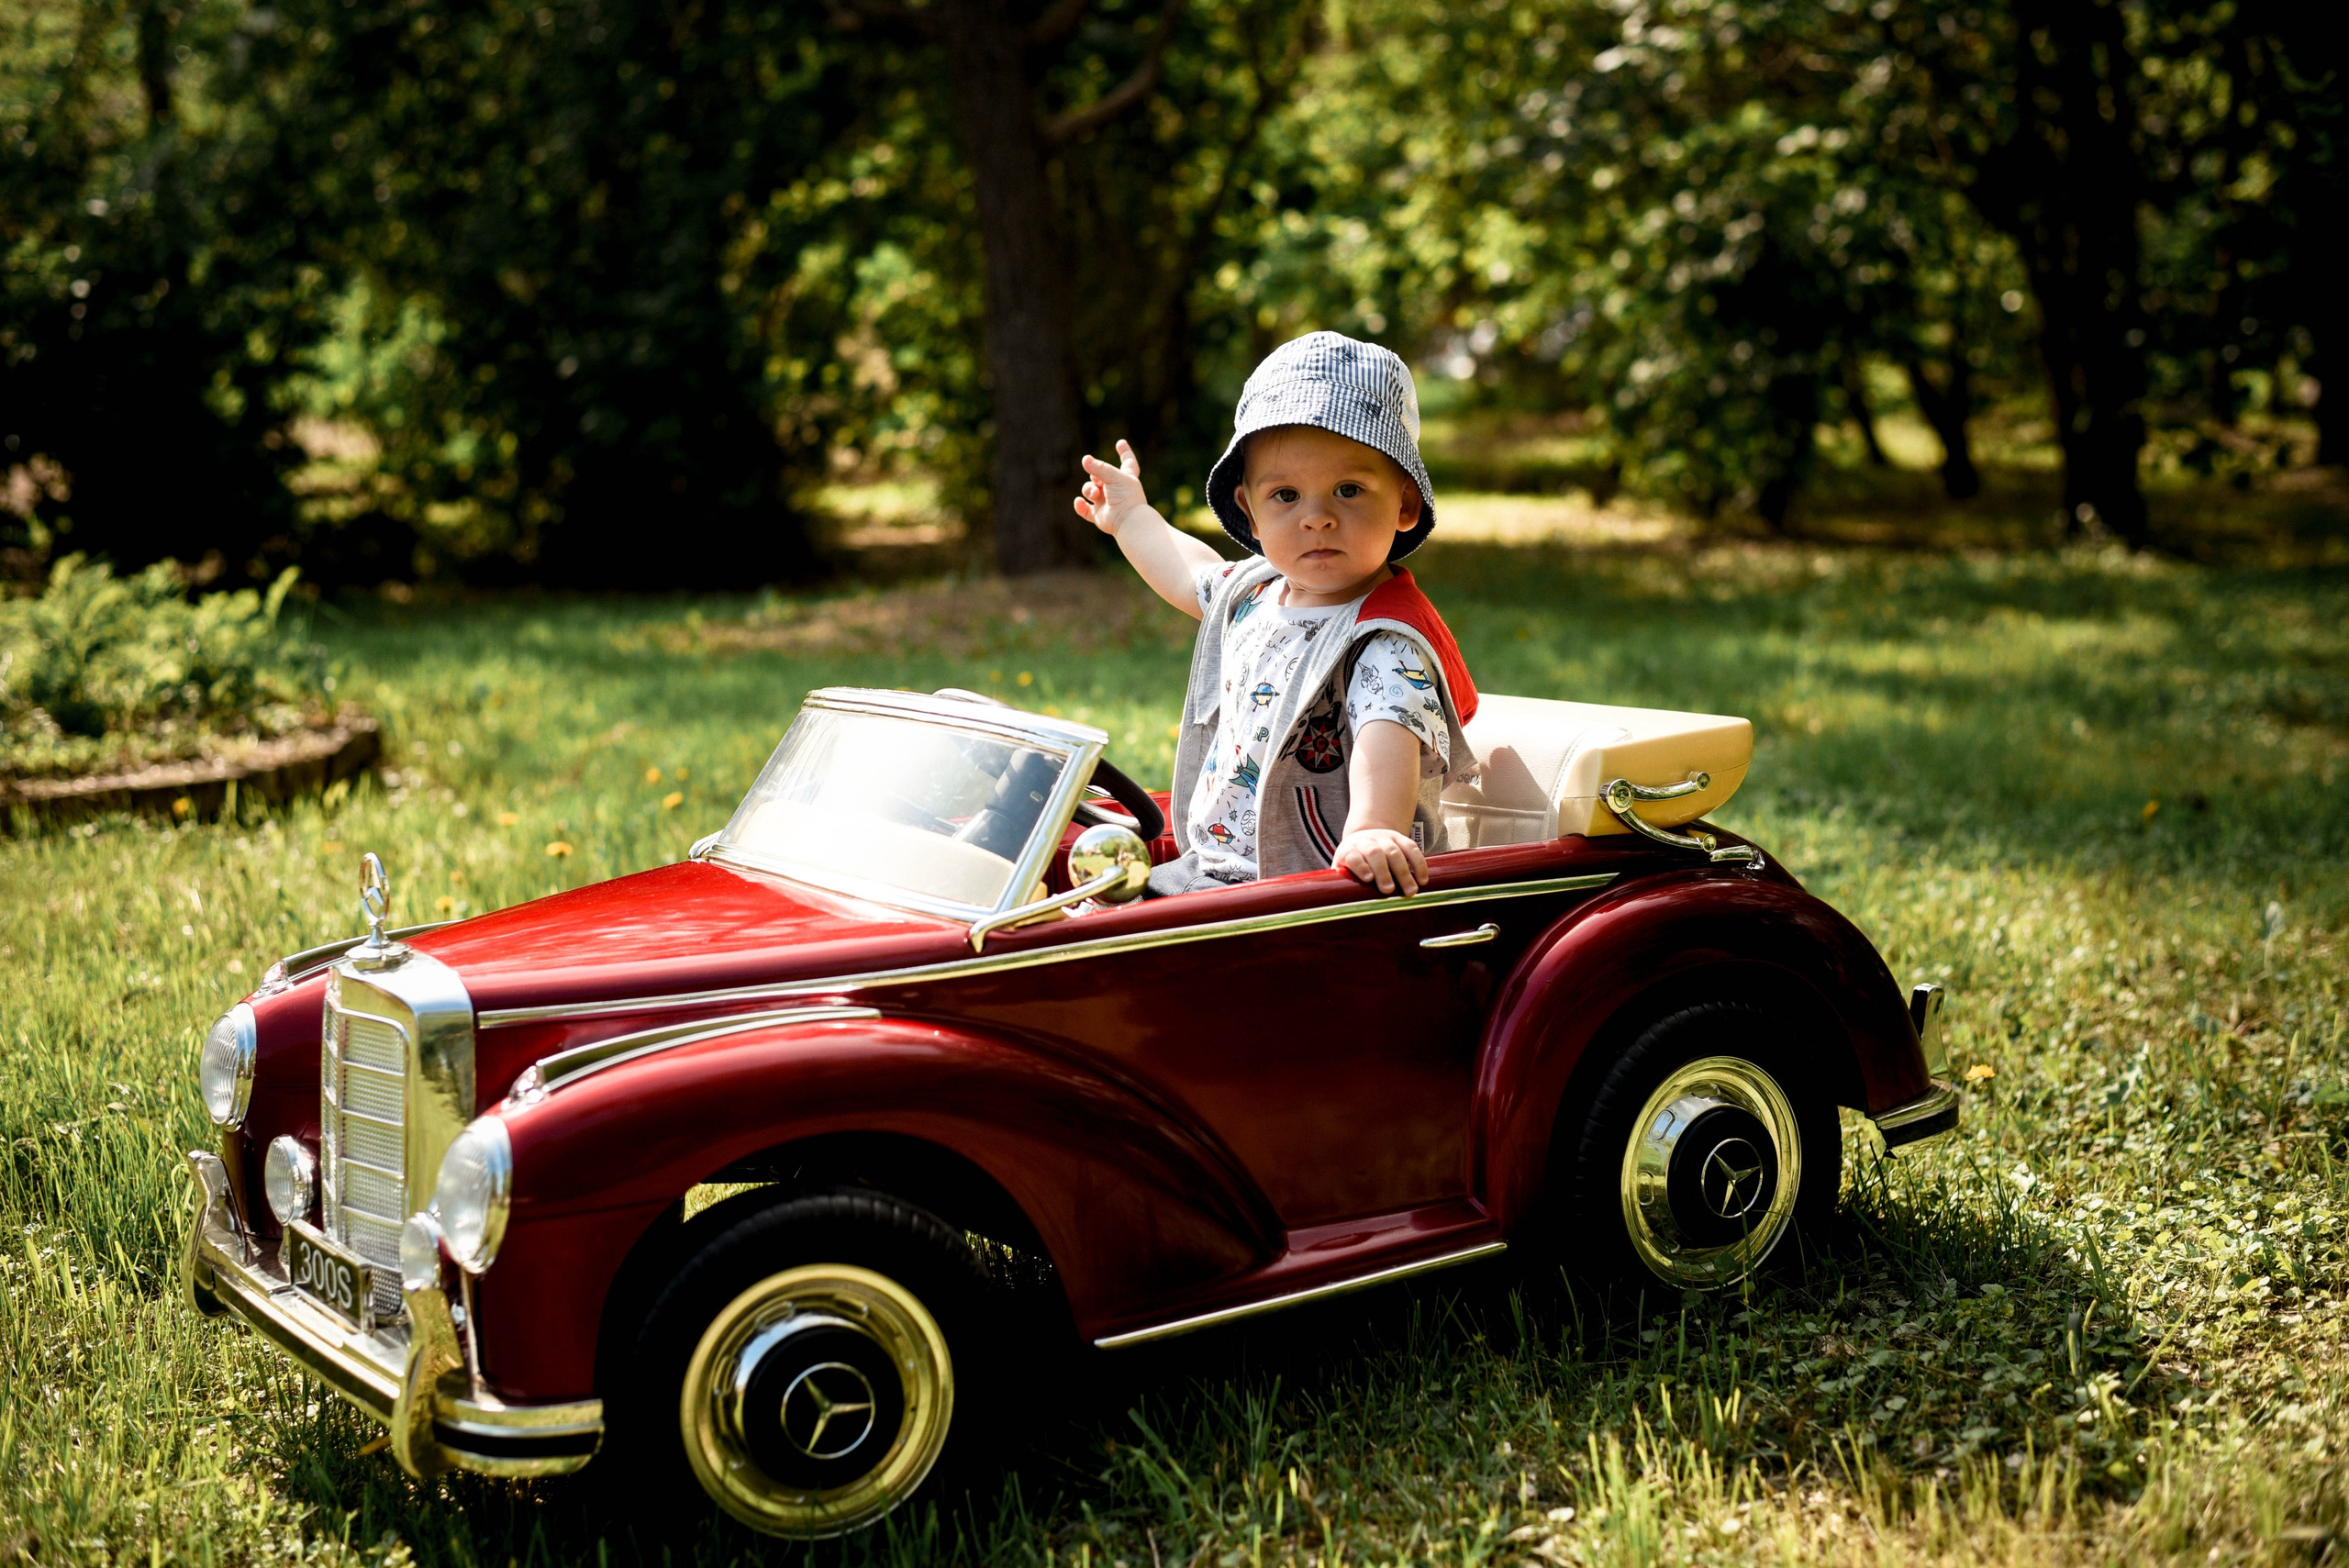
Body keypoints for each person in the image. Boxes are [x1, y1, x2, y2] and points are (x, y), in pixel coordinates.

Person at [1074, 330, 1478, 899]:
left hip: (1311, 892)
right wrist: (1133, 517)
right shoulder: (1255, 594)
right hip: (1211, 871)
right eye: (1286, 495)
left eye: (1348, 490)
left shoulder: (1382, 641)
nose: (1317, 517)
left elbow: (1387, 736)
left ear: (1405, 503)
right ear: (1251, 512)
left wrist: (1373, 830)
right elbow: (1191, 572)